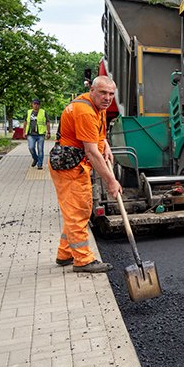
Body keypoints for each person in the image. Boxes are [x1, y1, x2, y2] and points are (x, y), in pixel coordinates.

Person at [50, 76, 121, 273]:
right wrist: (111, 181)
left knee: (75, 211)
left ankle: (65, 254)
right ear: (92, 91)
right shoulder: (85, 112)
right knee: (78, 212)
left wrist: (105, 144)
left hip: (76, 164)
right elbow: (91, 152)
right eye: (103, 93)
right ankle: (83, 260)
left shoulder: (96, 107)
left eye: (111, 94)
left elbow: (96, 134)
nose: (107, 98)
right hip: (71, 167)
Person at [24, 99, 51, 169]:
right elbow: (25, 122)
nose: (36, 105)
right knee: (31, 147)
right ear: (32, 104)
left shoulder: (43, 112)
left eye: (37, 104)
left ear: (39, 105)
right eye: (34, 104)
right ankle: (35, 159)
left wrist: (49, 132)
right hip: (30, 134)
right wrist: (24, 132)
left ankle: (40, 164)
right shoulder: (29, 112)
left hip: (40, 134)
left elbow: (47, 122)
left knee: (40, 149)